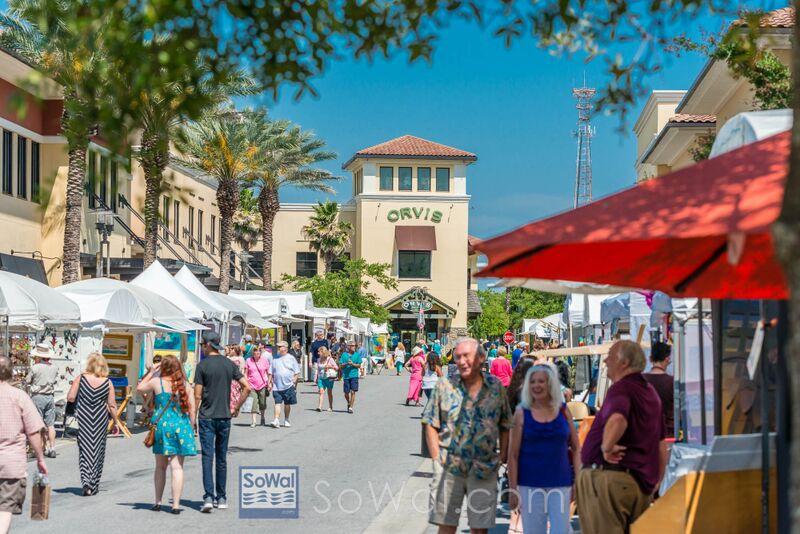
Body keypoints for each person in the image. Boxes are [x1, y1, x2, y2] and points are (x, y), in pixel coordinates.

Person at [577, 340, 668, 534]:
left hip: (609, 479)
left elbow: (618, 419)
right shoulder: (650, 392)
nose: (605, 362)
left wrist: (606, 447)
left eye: (610, 356)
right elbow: (661, 445)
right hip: (638, 483)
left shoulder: (621, 389)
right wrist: (655, 482)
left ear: (624, 362)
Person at [423, 338, 513, 533]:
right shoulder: (445, 385)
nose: (461, 361)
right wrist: (436, 457)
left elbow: (506, 424)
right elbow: (430, 423)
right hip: (448, 466)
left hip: (484, 466)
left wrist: (502, 457)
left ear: (481, 358)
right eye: (458, 357)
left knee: (479, 527)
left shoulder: (496, 387)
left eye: (467, 356)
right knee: (447, 525)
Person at [508, 363, 580, 534]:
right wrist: (513, 490)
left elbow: (576, 448)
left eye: (541, 381)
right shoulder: (521, 413)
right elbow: (513, 455)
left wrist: (579, 479)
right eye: (532, 382)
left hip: (561, 482)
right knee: (534, 531)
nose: (536, 385)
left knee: (560, 530)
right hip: (529, 484)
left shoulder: (563, 410)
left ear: (551, 384)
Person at [194, 331, 251, 512]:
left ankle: (209, 497)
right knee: (221, 458)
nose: (202, 347)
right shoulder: (229, 364)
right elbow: (247, 387)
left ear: (208, 345)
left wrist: (192, 417)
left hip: (207, 416)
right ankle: (222, 497)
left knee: (207, 457)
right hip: (225, 415)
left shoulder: (202, 366)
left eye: (203, 344)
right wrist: (236, 407)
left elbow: (197, 395)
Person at [137, 355, 197, 514]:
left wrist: (151, 371)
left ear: (162, 367)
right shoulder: (185, 384)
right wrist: (191, 427)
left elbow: (140, 388)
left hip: (162, 427)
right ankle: (176, 505)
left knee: (160, 467)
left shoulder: (157, 382)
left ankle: (157, 502)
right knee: (177, 467)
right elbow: (192, 409)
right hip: (181, 426)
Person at [0, 356, 47, 533]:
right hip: (11, 464)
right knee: (4, 509)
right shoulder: (19, 397)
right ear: (11, 373)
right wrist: (40, 457)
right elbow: (33, 431)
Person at [66, 352, 118, 496]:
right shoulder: (108, 382)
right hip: (100, 419)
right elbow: (112, 405)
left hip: (83, 418)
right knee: (97, 451)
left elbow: (70, 397)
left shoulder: (81, 378)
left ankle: (86, 482)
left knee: (85, 451)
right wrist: (116, 422)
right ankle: (93, 483)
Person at [26, 343, 59, 458]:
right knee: (50, 424)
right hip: (50, 396)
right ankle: (52, 448)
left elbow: (28, 380)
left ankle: (38, 448)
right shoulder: (54, 368)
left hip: (38, 396)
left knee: (37, 424)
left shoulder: (35, 367)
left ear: (38, 356)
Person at [643, 341, 675, 439]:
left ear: (650, 359)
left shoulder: (640, 380)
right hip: (668, 435)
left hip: (645, 435)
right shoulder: (672, 382)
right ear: (667, 359)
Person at [270, 341, 301, 427]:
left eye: (280, 347)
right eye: (278, 347)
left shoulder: (291, 358)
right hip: (277, 386)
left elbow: (297, 371)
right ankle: (276, 420)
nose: (278, 348)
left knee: (287, 404)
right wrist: (269, 382)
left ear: (286, 348)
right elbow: (270, 371)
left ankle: (286, 419)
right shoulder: (275, 358)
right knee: (277, 402)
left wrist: (294, 380)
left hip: (288, 385)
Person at [245, 348, 272, 428]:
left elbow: (268, 372)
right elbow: (246, 373)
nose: (257, 352)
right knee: (253, 402)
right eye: (255, 351)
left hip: (262, 384)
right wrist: (246, 383)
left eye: (258, 351)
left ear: (260, 352)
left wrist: (269, 383)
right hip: (251, 385)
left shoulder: (264, 360)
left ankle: (262, 417)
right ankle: (254, 421)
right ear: (253, 353)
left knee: (262, 402)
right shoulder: (248, 360)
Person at [339, 340, 363, 413]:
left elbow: (359, 365)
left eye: (355, 346)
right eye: (352, 346)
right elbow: (340, 366)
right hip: (346, 376)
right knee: (346, 393)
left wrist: (353, 364)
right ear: (348, 347)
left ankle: (351, 407)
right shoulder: (344, 355)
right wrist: (346, 363)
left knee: (353, 392)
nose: (354, 347)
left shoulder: (357, 354)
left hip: (354, 375)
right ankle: (349, 402)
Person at [315, 347, 338, 411]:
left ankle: (330, 406)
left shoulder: (330, 359)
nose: (318, 353)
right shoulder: (318, 359)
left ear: (323, 352)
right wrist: (316, 377)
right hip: (321, 378)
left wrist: (330, 366)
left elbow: (337, 368)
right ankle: (319, 407)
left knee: (329, 392)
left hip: (329, 378)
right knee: (321, 392)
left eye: (319, 352)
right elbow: (318, 369)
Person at [226, 346, 246, 415]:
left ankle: (236, 408)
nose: (230, 350)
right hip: (229, 379)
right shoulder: (228, 358)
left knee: (236, 394)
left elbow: (242, 369)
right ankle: (230, 408)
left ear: (235, 350)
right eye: (230, 349)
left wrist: (242, 379)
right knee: (229, 394)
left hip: (237, 379)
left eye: (232, 349)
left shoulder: (240, 358)